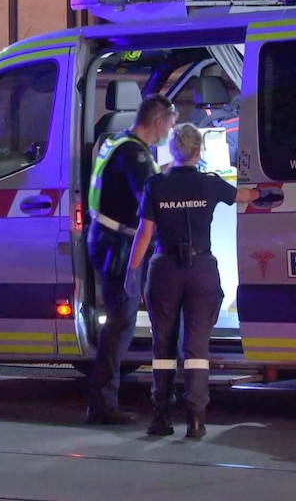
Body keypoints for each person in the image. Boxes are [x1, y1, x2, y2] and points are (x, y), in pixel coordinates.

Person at [125, 122, 261, 438]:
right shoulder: (209, 184)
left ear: (172, 151)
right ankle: (196, 420)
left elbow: (144, 233)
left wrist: (131, 272)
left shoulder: (155, 185)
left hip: (164, 270)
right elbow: (245, 196)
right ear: (198, 151)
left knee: (164, 347)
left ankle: (161, 418)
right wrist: (269, 192)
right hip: (201, 269)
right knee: (196, 347)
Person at [85, 94, 178, 425]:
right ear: (158, 122)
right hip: (117, 246)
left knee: (120, 321)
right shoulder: (134, 154)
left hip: (108, 239)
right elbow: (149, 201)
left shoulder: (121, 144)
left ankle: (103, 399)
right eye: (170, 123)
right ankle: (102, 404)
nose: (171, 130)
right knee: (121, 322)